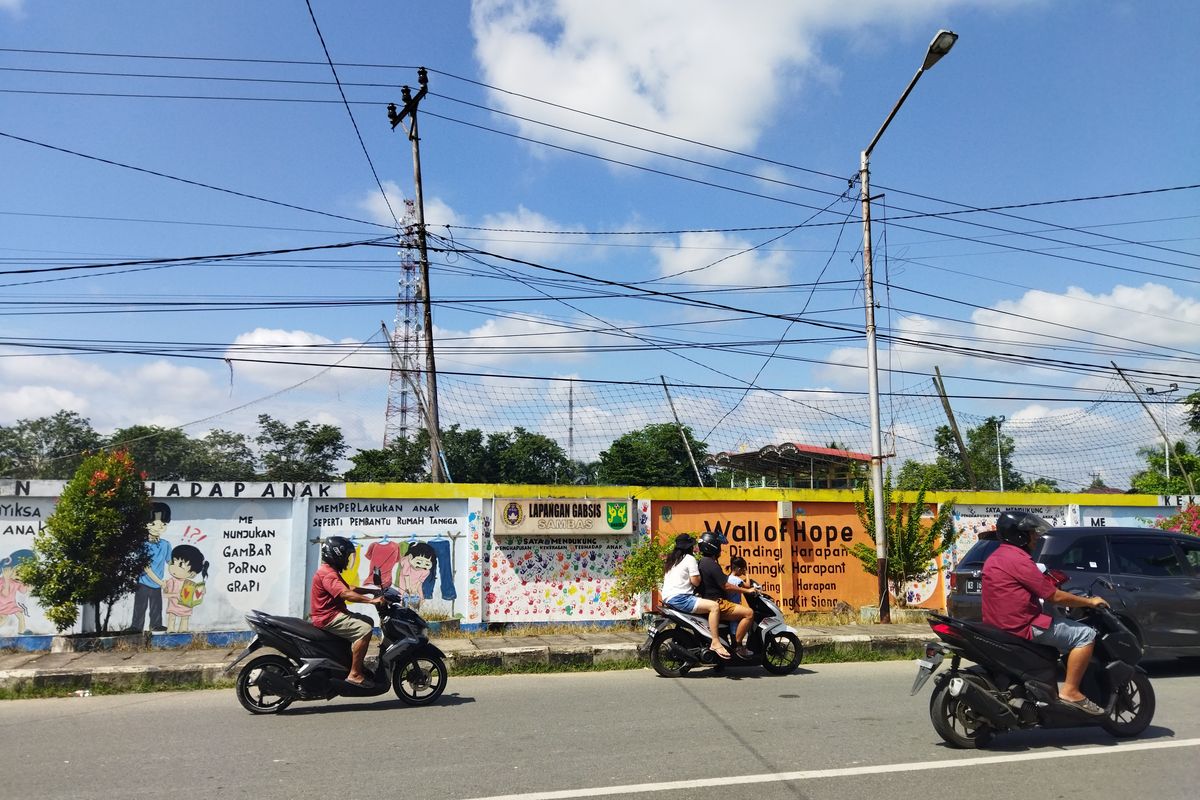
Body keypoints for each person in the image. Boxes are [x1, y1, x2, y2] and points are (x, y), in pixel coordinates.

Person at [982, 510, 1110, 715]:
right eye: (1031, 533)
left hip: (997, 625)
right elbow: (1053, 596)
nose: (1036, 537)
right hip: (1022, 625)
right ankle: (1071, 691)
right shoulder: (1019, 559)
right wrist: (1090, 602)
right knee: (1085, 635)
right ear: (1020, 535)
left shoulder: (995, 556)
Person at [311, 535, 385, 686]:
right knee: (364, 629)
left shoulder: (329, 571)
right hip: (328, 617)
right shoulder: (328, 573)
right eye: (346, 556)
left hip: (333, 613)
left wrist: (371, 591)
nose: (347, 560)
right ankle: (355, 673)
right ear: (337, 554)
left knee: (368, 620)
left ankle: (353, 661)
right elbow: (345, 594)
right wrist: (371, 601)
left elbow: (348, 588)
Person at [659, 533, 732, 660]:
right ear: (690, 547)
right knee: (714, 607)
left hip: (668, 598)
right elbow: (696, 582)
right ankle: (715, 642)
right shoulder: (689, 559)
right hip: (681, 598)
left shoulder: (671, 560)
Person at [695, 532, 756, 659]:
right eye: (719, 546)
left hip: (708, 601)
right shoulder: (711, 564)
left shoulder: (702, 562)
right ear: (713, 547)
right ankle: (738, 646)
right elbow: (726, 585)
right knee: (749, 613)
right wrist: (747, 591)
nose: (720, 550)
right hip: (718, 603)